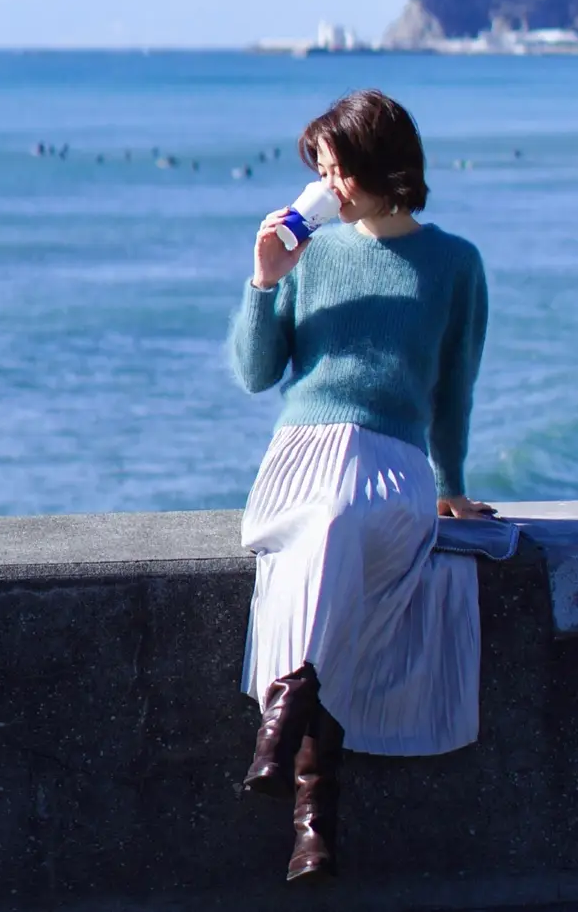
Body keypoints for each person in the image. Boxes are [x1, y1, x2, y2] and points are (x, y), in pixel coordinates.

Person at [228, 88, 494, 885]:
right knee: (331, 522)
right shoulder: (312, 257)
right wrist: (265, 280)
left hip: (391, 462)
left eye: (338, 167)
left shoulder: (453, 263)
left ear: (380, 166)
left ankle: (292, 730)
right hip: (301, 457)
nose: (327, 184)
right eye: (321, 169)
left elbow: (453, 390)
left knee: (338, 523)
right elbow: (255, 373)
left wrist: (451, 483)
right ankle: (312, 801)